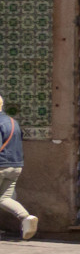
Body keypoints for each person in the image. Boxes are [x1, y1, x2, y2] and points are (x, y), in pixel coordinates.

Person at [0, 94, 34, 239]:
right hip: (16, 165)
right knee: (4, 198)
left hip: (1, 165)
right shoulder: (13, 122)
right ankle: (26, 217)